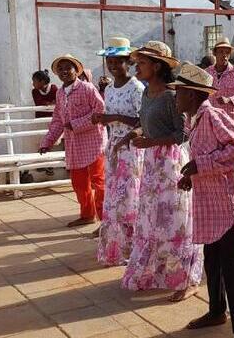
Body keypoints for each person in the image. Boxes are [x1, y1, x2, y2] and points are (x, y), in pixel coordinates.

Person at [172, 64, 234, 338]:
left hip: (227, 203)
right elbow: (203, 155)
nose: (176, 98)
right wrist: (191, 175)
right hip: (210, 202)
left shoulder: (212, 115)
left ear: (194, 94)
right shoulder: (195, 119)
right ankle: (216, 311)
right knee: (213, 261)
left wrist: (202, 166)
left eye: (180, 93)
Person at [121, 41, 203, 302]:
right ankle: (157, 272)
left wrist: (152, 141)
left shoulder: (170, 96)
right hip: (152, 165)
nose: (137, 67)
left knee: (175, 220)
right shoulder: (147, 93)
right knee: (152, 219)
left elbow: (182, 134)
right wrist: (137, 132)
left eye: (142, 63)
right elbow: (148, 125)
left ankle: (186, 278)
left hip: (170, 163)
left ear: (157, 67)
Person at [92, 37, 145, 265]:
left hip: (132, 149)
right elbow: (111, 118)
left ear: (128, 62)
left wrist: (112, 117)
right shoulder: (110, 88)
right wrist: (104, 120)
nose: (113, 66)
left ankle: (134, 246)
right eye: (109, 62)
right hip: (114, 147)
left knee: (130, 197)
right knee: (114, 198)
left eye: (117, 62)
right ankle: (117, 245)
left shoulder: (137, 88)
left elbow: (143, 121)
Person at [39, 54, 107, 227]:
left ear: (77, 70)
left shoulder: (88, 88)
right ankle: (87, 214)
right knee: (79, 183)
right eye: (60, 69)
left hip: (94, 143)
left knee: (99, 183)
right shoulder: (61, 93)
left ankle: (106, 221)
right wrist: (47, 142)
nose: (64, 72)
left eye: (67, 68)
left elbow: (100, 112)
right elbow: (57, 120)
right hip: (74, 146)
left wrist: (76, 124)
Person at [206, 37, 234, 121]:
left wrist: (229, 99)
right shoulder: (207, 72)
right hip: (210, 120)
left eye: (227, 52)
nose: (224, 55)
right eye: (221, 52)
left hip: (230, 120)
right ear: (215, 53)